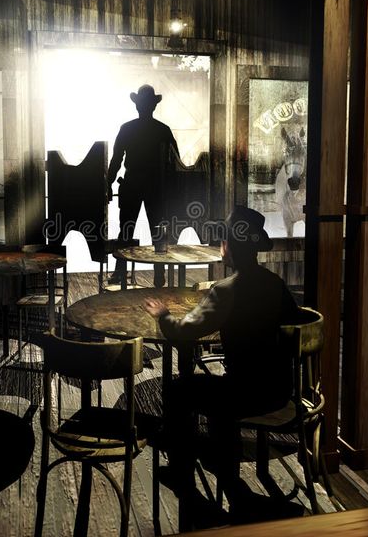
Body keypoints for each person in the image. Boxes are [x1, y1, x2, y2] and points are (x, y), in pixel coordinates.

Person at [144, 206, 300, 525]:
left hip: (245, 393)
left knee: (178, 390)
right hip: (280, 388)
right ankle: (233, 489)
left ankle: (183, 474)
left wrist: (162, 315)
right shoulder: (274, 283)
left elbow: (184, 331)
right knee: (215, 401)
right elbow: (295, 324)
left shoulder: (226, 290)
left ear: (228, 247)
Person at [108, 84, 180, 287]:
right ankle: (159, 274)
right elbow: (175, 163)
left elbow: (116, 161)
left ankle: (120, 272)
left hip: (131, 183)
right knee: (158, 232)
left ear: (137, 106)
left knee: (126, 230)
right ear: (153, 107)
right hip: (156, 186)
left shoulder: (127, 128)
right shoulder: (163, 130)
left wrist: (107, 183)